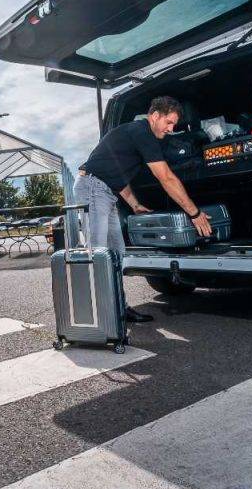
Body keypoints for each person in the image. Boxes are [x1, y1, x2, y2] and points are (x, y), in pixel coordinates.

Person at [76, 95, 212, 323]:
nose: (171, 129)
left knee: (116, 253)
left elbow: (118, 175)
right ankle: (97, 316)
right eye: (168, 122)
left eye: (174, 125)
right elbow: (166, 177)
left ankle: (118, 307)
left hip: (105, 191)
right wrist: (194, 213)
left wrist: (135, 204)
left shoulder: (137, 133)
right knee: (98, 252)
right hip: (92, 188)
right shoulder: (142, 132)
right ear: (155, 115)